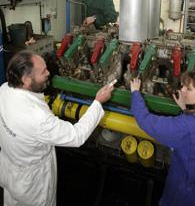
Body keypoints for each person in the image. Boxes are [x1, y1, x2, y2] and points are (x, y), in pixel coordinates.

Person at [0, 50, 114, 206]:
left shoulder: (5, 89)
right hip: (32, 183)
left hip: (9, 169)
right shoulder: (37, 118)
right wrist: (98, 102)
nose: (48, 73)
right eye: (43, 71)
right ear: (26, 80)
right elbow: (76, 136)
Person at [130, 68, 195, 206]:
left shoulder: (185, 128)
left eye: (188, 89)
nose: (182, 90)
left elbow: (146, 121)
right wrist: (185, 109)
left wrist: (135, 92)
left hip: (183, 193)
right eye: (183, 85)